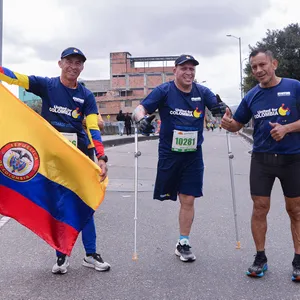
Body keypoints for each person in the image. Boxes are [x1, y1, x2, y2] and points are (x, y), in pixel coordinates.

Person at [0, 47, 110, 274]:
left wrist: (100, 156)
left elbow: (92, 128)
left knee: (85, 203)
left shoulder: (87, 96)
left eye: (78, 63)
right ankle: (61, 256)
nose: (73, 66)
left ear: (82, 67)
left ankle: (91, 254)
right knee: (58, 204)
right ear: (60, 64)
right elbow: (16, 78)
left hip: (79, 156)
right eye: (69, 61)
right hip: (53, 157)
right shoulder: (47, 85)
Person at [132, 54, 227, 262]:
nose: (189, 72)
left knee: (188, 198)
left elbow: (221, 109)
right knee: (166, 196)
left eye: (192, 69)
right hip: (169, 153)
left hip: (193, 155)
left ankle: (183, 242)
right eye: (184, 68)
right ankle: (180, 237)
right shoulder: (164, 91)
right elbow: (140, 109)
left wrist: (222, 109)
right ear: (174, 70)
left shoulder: (202, 92)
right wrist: (141, 121)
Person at [221, 48, 300, 281]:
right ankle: (260, 258)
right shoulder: (252, 95)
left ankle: (298, 260)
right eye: (254, 67)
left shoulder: (294, 86)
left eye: (262, 65)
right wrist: (228, 123)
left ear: (274, 63)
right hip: (262, 159)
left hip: (293, 158)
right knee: (259, 208)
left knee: (295, 210)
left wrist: (287, 128)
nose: (258, 70)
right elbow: (238, 124)